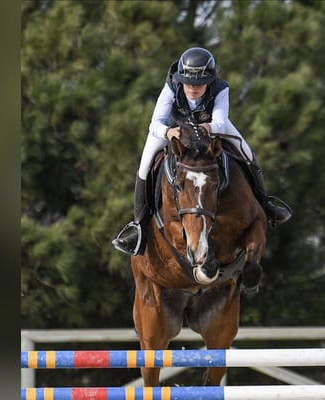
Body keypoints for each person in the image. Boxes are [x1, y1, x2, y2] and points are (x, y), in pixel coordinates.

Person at [111, 46, 292, 256]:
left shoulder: (221, 89)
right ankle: (139, 228)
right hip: (174, 128)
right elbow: (155, 122)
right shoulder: (171, 86)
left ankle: (265, 203)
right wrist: (168, 132)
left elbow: (221, 122)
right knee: (145, 166)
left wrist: (210, 128)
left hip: (210, 127)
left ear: (209, 81)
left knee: (246, 151)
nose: (192, 88)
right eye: (188, 83)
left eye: (199, 84)